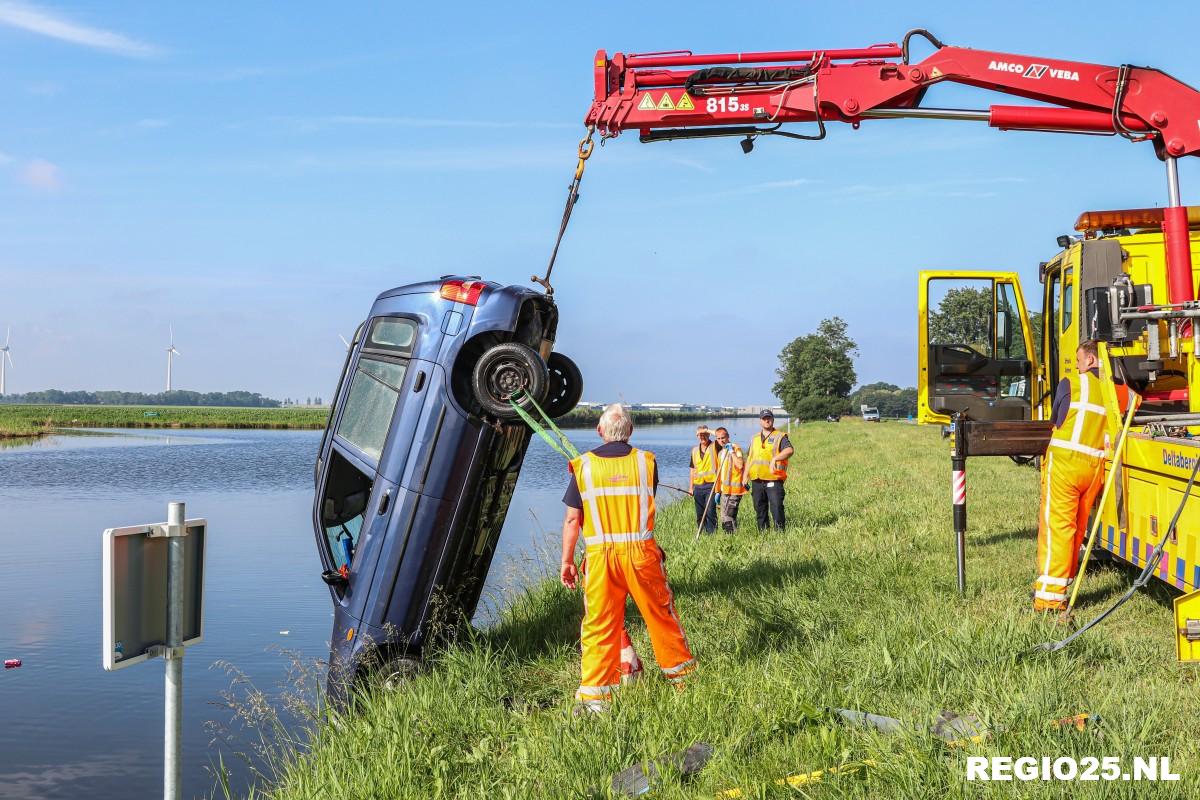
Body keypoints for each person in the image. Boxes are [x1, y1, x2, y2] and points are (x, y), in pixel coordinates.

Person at [560, 403, 695, 711]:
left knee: (599, 625)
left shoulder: (583, 466)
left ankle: (596, 700)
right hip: (641, 555)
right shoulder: (646, 463)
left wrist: (567, 561)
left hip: (600, 558)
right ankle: (684, 682)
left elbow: (571, 520)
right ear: (631, 431)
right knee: (660, 617)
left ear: (599, 431)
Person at [1034, 341, 1111, 615]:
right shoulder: (1115, 390)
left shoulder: (1071, 383)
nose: (1076, 366)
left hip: (1066, 463)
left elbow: (1058, 419)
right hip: (1094, 468)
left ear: (1090, 360)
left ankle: (1049, 599)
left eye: (1079, 360)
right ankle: (1064, 584)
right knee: (1077, 530)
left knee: (1057, 528)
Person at [743, 410, 794, 530]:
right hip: (757, 480)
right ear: (760, 421)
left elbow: (789, 450)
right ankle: (763, 533)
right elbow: (750, 458)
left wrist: (775, 459)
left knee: (776, 507)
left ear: (773, 419)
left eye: (769, 418)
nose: (767, 420)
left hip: (773, 479)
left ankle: (780, 533)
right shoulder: (754, 438)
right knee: (759, 508)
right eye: (764, 418)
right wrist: (745, 476)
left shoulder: (780, 436)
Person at [713, 426, 746, 533]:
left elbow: (740, 465)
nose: (721, 440)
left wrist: (731, 452)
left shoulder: (736, 448)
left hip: (734, 490)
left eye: (723, 438)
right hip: (724, 490)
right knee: (723, 517)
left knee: (729, 516)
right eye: (718, 438)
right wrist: (717, 491)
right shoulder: (720, 453)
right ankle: (728, 538)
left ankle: (733, 538)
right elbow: (720, 474)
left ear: (728, 437)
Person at [689, 425, 720, 534]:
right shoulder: (694, 450)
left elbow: (720, 434)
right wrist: (691, 487)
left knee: (711, 511)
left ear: (708, 434)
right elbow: (692, 469)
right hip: (698, 486)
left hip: (711, 484)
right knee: (700, 513)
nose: (703, 437)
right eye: (700, 435)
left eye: (705, 434)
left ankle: (712, 534)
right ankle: (701, 534)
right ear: (697, 436)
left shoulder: (715, 446)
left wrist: (707, 430)